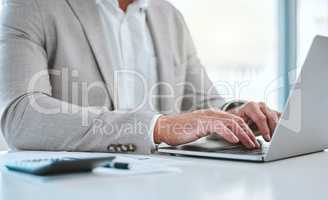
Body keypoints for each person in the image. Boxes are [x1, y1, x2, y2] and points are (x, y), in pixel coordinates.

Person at [0, 0, 280, 154]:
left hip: (165, 185)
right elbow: (20, 116)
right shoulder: (30, 6)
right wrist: (158, 127)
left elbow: (203, 102)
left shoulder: (169, 15)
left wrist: (236, 116)